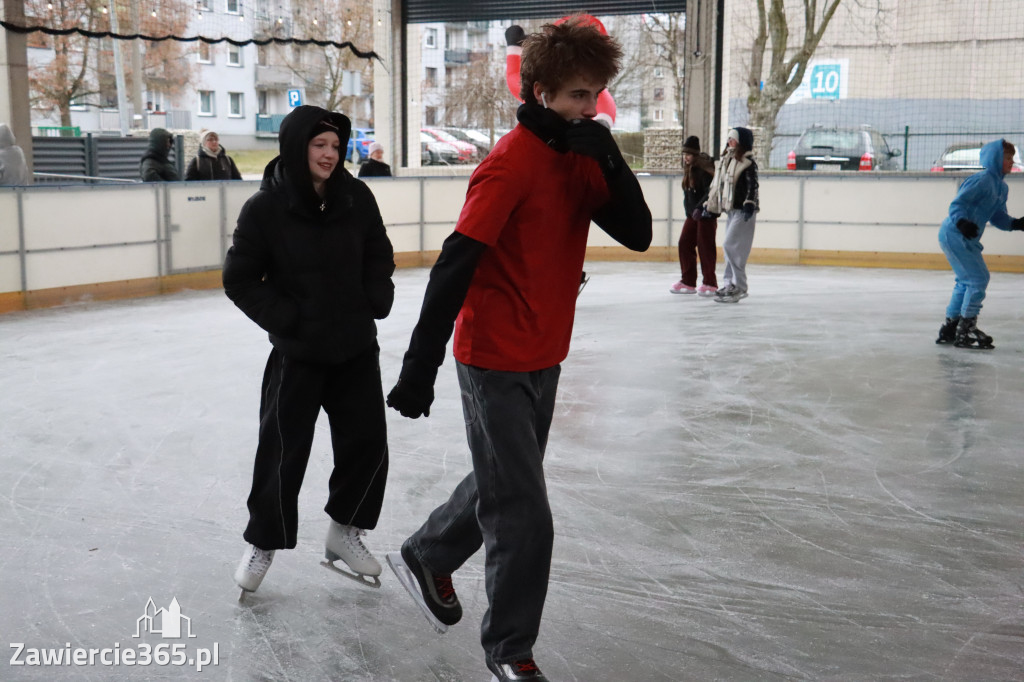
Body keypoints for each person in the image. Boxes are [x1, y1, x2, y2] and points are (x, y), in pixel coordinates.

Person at [383, 19, 651, 682]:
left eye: (596, 96)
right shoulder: (508, 164)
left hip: (546, 351)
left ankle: (428, 553)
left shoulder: (583, 157)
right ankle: (510, 650)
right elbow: (455, 263)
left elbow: (640, 233)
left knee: (507, 480)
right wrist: (420, 366)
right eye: (578, 97)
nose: (591, 109)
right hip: (494, 355)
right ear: (539, 94)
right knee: (524, 509)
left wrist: (609, 157)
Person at [222, 105, 396, 595]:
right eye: (320, 145)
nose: (329, 155)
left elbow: (378, 252)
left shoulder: (356, 197)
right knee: (281, 453)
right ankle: (263, 543)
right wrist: (288, 321)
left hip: (356, 348)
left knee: (367, 446)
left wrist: (375, 298)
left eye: (336, 147)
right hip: (298, 353)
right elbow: (239, 280)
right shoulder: (265, 208)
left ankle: (346, 531)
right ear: (298, 147)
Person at [936, 138, 1024, 349]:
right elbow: (958, 204)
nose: (1011, 162)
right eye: (1007, 158)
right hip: (956, 233)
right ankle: (965, 331)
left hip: (964, 237)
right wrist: (963, 222)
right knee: (978, 279)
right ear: (994, 158)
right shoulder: (982, 180)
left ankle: (951, 326)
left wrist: (1016, 224)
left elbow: (997, 217)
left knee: (965, 281)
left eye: (1012, 158)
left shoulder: (1001, 187)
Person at [704, 126, 759, 303]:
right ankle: (730, 283)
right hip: (732, 210)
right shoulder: (727, 161)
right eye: (728, 138)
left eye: (733, 139)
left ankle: (740, 286)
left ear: (741, 142)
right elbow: (718, 186)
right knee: (729, 250)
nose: (729, 142)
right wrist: (709, 206)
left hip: (744, 211)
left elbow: (753, 186)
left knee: (731, 246)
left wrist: (749, 203)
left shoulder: (748, 162)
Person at [670, 135, 717, 296]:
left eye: (688, 154)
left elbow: (709, 191)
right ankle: (688, 281)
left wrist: (699, 207)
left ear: (695, 154)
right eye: (684, 154)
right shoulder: (689, 169)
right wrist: (690, 210)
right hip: (693, 215)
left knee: (705, 247)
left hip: (705, 214)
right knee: (684, 243)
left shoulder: (703, 170)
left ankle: (710, 282)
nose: (686, 157)